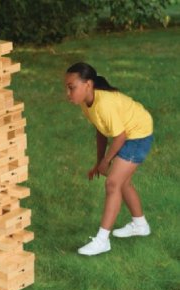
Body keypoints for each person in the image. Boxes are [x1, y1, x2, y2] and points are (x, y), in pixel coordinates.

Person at [65, 62, 153, 256]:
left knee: (113, 183)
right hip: (128, 133)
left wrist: (106, 161)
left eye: (72, 88)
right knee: (122, 182)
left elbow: (120, 136)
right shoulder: (87, 103)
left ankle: (102, 241)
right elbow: (101, 130)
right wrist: (99, 161)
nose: (68, 93)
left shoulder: (104, 103)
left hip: (138, 134)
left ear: (88, 84)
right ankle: (140, 224)